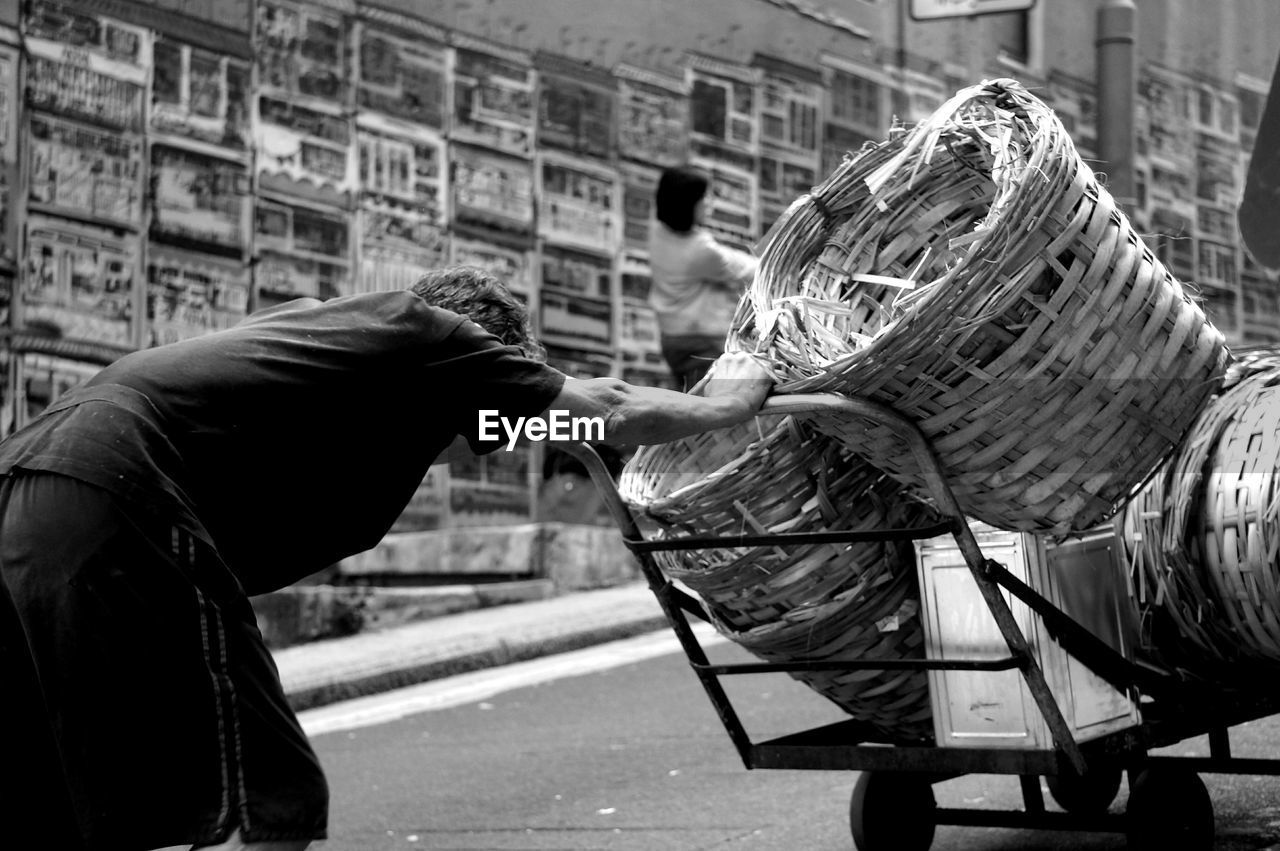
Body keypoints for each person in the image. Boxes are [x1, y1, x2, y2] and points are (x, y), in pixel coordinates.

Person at [0, 266, 774, 851]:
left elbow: (529, 431)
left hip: (29, 493)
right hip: (119, 492)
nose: (475, 441)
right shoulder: (429, 335)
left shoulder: (355, 361)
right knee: (274, 797)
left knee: (91, 796)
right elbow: (604, 406)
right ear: (486, 356)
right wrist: (729, 406)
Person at [648, 165, 759, 390]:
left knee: (689, 396)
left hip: (671, 337)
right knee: (709, 408)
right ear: (687, 204)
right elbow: (749, 270)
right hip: (700, 341)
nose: (710, 202)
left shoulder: (658, 232)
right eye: (704, 197)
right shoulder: (699, 252)